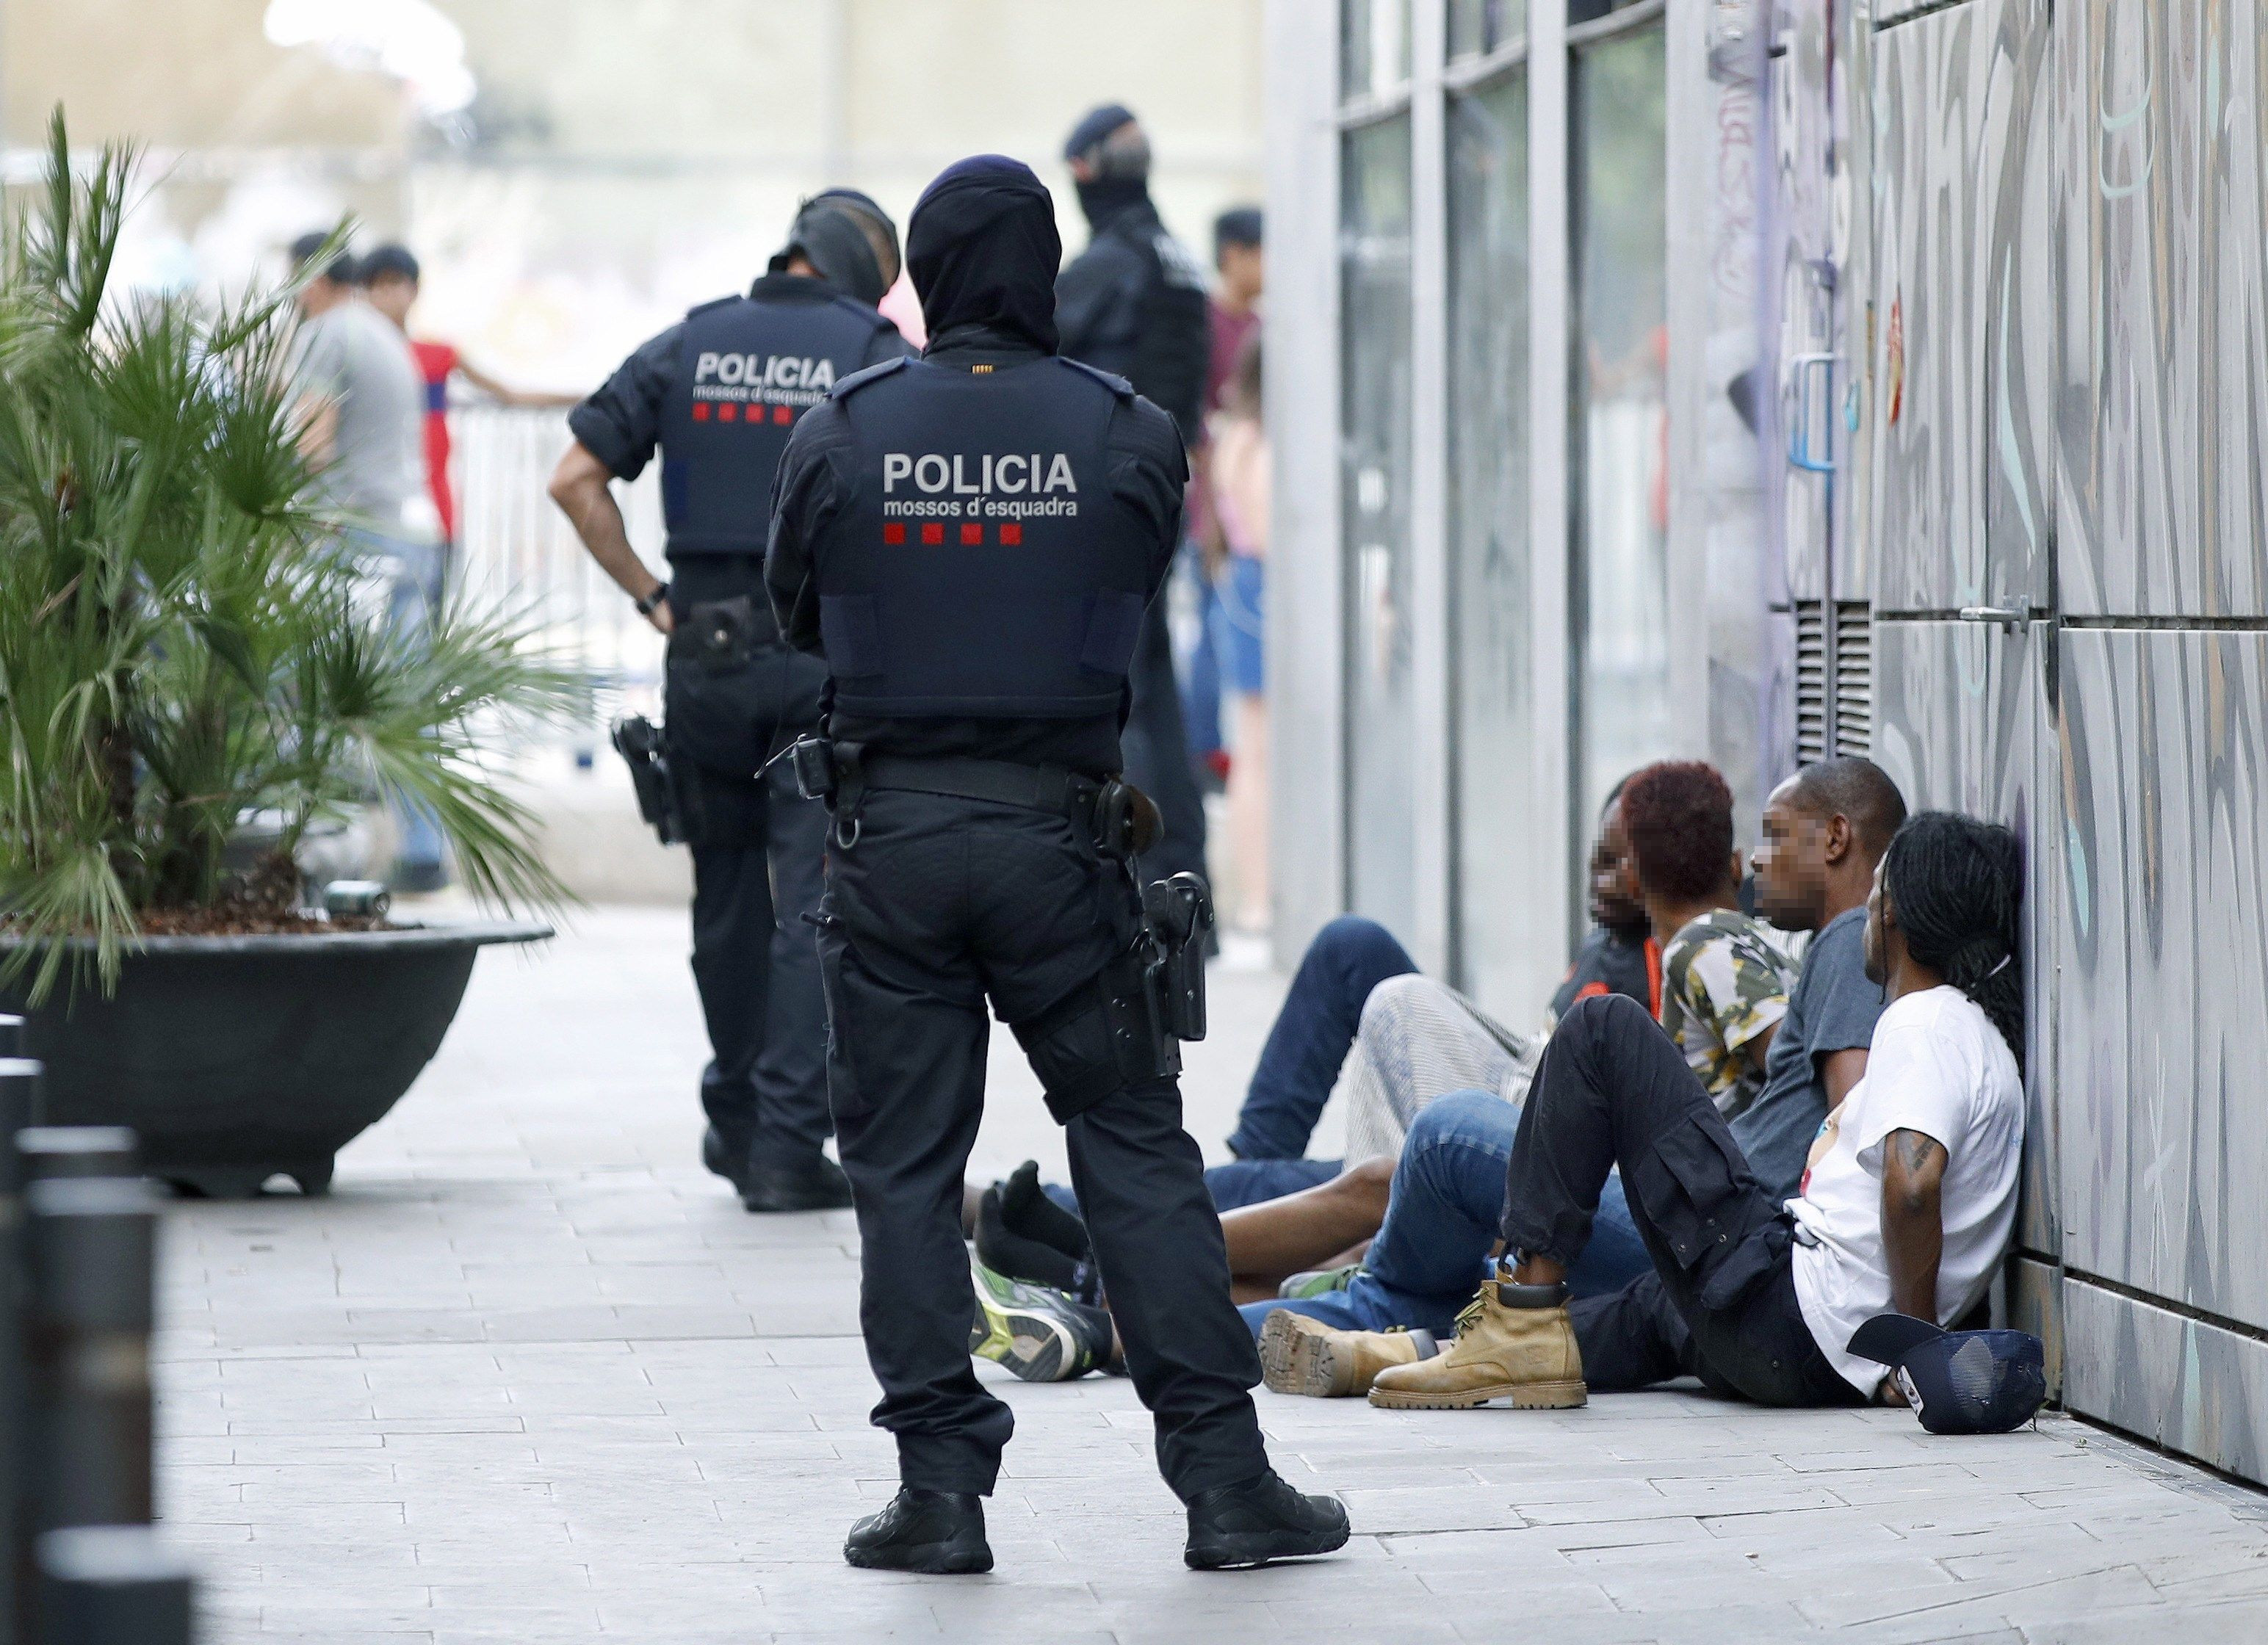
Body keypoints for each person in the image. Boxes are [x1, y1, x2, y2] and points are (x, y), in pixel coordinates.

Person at [765, 154, 1346, 1576]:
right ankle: (1221, 1483)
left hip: (889, 844)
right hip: (1060, 848)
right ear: (1038, 268)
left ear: (931, 271)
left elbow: (796, 612)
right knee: (1134, 1146)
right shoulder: (1129, 431)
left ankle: (939, 1496)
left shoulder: (839, 429)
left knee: (903, 1169)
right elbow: (1132, 581)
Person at [1254, 756, 1907, 1397]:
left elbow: (1854, 1138)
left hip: (1744, 1245)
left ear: (1836, 838)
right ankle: (1228, 1320)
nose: (1757, 858)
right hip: (1729, 1254)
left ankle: (1198, 1302)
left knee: (1443, 1134)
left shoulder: (1842, 940)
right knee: (1418, 1251)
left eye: (1775, 834)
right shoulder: (1822, 951)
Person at [1357, 811, 2025, 1415]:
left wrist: (1916, 1353)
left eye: (1878, 889)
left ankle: (1522, 1315)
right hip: (1798, 1343)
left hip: (1792, 1315)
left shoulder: (1926, 1019)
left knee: (1602, 1028)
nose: (1867, 908)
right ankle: (1419, 1351)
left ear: (1899, 911)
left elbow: (1913, 1184)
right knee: (1646, 1314)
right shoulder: (1973, 1037)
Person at [549, 191, 909, 1212]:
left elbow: (575, 478)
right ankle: (788, 1147)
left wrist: (654, 598)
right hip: (819, 654)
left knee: (724, 898)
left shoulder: (692, 342)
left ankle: (736, 1119)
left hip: (702, 654)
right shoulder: (873, 351)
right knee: (808, 900)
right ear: (856, 273)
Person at [1055, 104, 1213, 893]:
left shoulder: (1109, 264)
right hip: (1163, 494)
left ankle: (1146, 874)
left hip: (1105, 500)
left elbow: (1026, 345)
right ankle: (1185, 868)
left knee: (1125, 688)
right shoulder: (1179, 258)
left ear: (1084, 173)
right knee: (1158, 686)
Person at [286, 231, 449, 892]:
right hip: (414, 532)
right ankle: (422, 850)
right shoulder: (383, 333)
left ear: (310, 281)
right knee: (407, 702)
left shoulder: (329, 332)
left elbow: (312, 441)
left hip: (360, 539)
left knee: (319, 697)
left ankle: (323, 849)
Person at [356, 242, 576, 597]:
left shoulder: (437, 355)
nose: (386, 294)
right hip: (372, 509)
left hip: (433, 507)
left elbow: (510, 394)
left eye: (395, 283)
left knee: (426, 618)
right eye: (376, 285)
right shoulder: (353, 357)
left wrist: (585, 396)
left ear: (413, 290)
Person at [1619, 760, 1800, 1118]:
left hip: (1724, 1171)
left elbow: (1794, 1068)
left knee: (1471, 1123)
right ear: (1735, 867)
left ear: (1634, 884)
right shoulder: (1758, 940)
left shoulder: (1702, 949)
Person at [1185, 205, 1266, 792]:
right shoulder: (1205, 326)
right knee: (1215, 632)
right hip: (1214, 514)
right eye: (1262, 252)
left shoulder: (1261, 328)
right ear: (1232, 255)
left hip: (1247, 513)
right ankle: (1205, 751)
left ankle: (1220, 748)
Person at [1208, 333, 1270, 930]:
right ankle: (1258, 896)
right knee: (1258, 752)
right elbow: (1267, 526)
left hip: (1245, 587)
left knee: (1255, 752)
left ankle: (1259, 895)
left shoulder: (1233, 436)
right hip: (1262, 590)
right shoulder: (1254, 442)